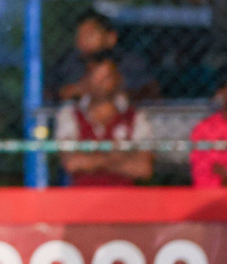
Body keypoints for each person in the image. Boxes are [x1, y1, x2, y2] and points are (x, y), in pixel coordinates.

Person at [52, 54, 153, 185]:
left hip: (125, 198)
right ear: (85, 80)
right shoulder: (70, 114)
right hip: (81, 198)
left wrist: (92, 161)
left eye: (106, 77)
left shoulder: (136, 117)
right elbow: (72, 164)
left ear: (118, 79)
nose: (101, 84)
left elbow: (143, 169)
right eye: (96, 77)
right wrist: (115, 158)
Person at [50, 9, 156, 102]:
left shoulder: (130, 63)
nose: (83, 40)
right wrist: (69, 92)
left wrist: (109, 92)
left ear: (111, 37)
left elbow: (150, 93)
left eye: (90, 34)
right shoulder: (69, 62)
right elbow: (50, 93)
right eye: (79, 35)